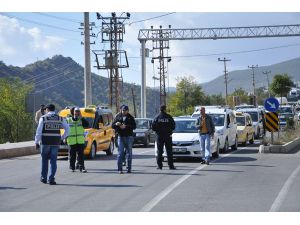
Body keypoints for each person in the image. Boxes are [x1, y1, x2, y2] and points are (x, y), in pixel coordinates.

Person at [35, 104, 69, 185]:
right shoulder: (60, 118)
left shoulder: (43, 118)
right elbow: (67, 129)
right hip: (55, 142)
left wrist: (36, 142)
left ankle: (44, 178)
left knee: (44, 160)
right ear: (54, 110)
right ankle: (51, 179)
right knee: (53, 161)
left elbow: (39, 131)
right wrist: (61, 137)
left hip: (45, 142)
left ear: (47, 109)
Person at [112, 105, 136, 174]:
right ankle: (120, 169)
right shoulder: (118, 117)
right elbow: (112, 126)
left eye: (125, 110)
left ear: (128, 111)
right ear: (121, 110)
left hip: (129, 137)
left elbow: (134, 126)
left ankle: (129, 168)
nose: (124, 111)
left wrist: (126, 126)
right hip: (120, 137)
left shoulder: (130, 117)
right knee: (120, 153)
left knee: (129, 154)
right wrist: (117, 124)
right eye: (123, 110)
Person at [152, 105, 176, 170]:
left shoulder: (157, 117)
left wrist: (158, 131)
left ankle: (159, 166)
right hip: (168, 136)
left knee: (159, 151)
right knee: (169, 151)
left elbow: (153, 127)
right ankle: (171, 166)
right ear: (165, 109)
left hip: (159, 136)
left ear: (160, 110)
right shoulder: (169, 117)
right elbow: (173, 126)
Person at [66, 107, 89, 173]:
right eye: (76, 111)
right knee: (72, 155)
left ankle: (82, 167)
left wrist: (82, 118)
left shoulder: (81, 120)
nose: (77, 113)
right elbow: (65, 128)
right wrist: (65, 137)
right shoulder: (68, 120)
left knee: (81, 155)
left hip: (80, 141)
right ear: (73, 112)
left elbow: (87, 125)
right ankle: (72, 167)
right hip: (71, 141)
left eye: (78, 111)